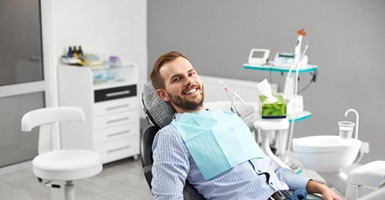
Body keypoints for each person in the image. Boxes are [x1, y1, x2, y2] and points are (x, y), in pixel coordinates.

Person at [150, 51, 342, 200]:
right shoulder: (172, 135)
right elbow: (168, 196)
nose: (189, 81)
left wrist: (320, 187)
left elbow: (273, 170)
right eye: (177, 79)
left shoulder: (230, 119)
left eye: (191, 73)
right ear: (163, 95)